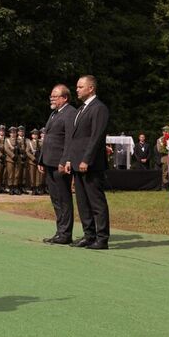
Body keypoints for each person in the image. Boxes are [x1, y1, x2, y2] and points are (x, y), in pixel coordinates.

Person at [64, 75, 110, 250]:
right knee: (82, 201)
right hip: (77, 162)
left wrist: (86, 159)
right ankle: (88, 235)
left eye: (80, 86)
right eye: (77, 86)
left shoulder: (99, 108)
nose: (77, 89)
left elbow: (96, 137)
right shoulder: (81, 109)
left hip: (90, 164)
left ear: (91, 88)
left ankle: (102, 237)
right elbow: (75, 138)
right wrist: (70, 159)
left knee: (96, 201)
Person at [38, 84, 77, 244]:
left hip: (59, 163)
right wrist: (41, 159)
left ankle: (65, 233)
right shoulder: (55, 113)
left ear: (65, 97)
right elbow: (48, 138)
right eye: (51, 96)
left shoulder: (70, 113)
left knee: (63, 198)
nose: (51, 98)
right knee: (55, 198)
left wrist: (65, 160)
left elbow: (69, 140)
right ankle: (60, 231)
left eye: (55, 96)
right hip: (49, 162)